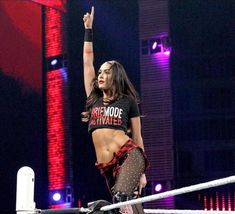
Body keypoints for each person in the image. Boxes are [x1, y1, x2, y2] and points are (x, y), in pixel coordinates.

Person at [82, 6, 149, 214]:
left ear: (116, 76)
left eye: (106, 72)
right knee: (129, 209)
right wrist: (88, 30)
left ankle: (125, 198)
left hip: (130, 157)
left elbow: (137, 137)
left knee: (121, 200)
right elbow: (87, 60)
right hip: (108, 168)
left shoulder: (127, 101)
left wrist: (142, 173)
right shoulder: (93, 99)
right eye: (100, 72)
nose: (100, 75)